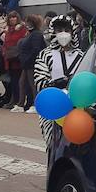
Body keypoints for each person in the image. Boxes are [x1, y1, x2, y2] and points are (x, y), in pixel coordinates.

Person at [34, 16, 85, 145]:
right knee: (54, 144)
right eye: (59, 30)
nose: (63, 33)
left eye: (67, 30)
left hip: (77, 109)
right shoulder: (45, 55)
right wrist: (54, 83)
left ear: (72, 32)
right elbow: (39, 80)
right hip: (52, 107)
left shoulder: (81, 56)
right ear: (53, 32)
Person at [17, 14, 47, 113]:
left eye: (28, 22)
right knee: (22, 83)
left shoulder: (36, 34)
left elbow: (36, 49)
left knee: (33, 85)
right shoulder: (29, 34)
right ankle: (20, 104)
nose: (26, 24)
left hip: (32, 63)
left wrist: (28, 59)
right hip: (26, 64)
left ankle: (36, 104)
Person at [1, 12, 29, 111]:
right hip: (10, 59)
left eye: (14, 17)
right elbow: (5, 43)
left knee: (19, 81)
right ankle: (13, 99)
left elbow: (22, 42)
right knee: (13, 81)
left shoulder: (22, 29)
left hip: (18, 59)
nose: (12, 19)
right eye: (11, 17)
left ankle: (17, 101)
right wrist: (4, 51)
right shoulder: (8, 30)